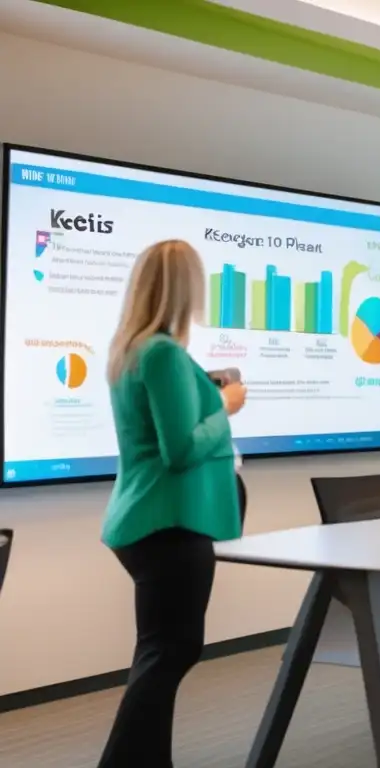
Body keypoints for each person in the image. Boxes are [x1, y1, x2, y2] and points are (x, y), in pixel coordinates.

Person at [98, 240, 247, 768]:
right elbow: (180, 449)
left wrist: (201, 390)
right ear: (184, 288)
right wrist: (226, 406)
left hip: (147, 521)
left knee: (160, 654)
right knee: (169, 654)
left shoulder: (132, 349)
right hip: (167, 526)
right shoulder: (161, 353)